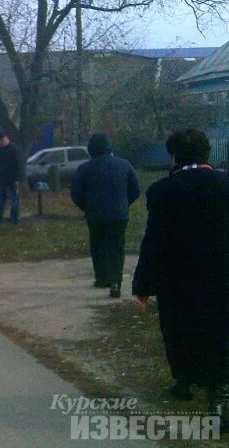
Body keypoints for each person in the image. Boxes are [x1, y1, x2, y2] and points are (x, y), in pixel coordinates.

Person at [133, 129, 229, 425]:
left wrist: (143, 284)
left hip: (177, 280)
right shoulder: (225, 184)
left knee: (179, 330)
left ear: (173, 156)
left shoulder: (162, 191)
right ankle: (220, 393)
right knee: (220, 330)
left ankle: (184, 381)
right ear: (206, 153)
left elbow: (155, 241)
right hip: (221, 276)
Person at [71, 133, 140, 298]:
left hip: (95, 214)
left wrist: (86, 207)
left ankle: (102, 278)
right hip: (119, 214)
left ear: (91, 149)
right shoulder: (124, 164)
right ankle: (116, 281)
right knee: (117, 247)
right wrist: (124, 203)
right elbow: (136, 189)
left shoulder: (85, 168)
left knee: (98, 246)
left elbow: (76, 193)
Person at [0, 132, 21, 225]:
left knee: (14, 201)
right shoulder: (0, 150)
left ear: (5, 139)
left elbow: (18, 165)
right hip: (2, 180)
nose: (0, 143)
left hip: (12, 180)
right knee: (1, 201)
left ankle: (15, 219)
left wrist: (17, 179)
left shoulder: (14, 149)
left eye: (0, 141)